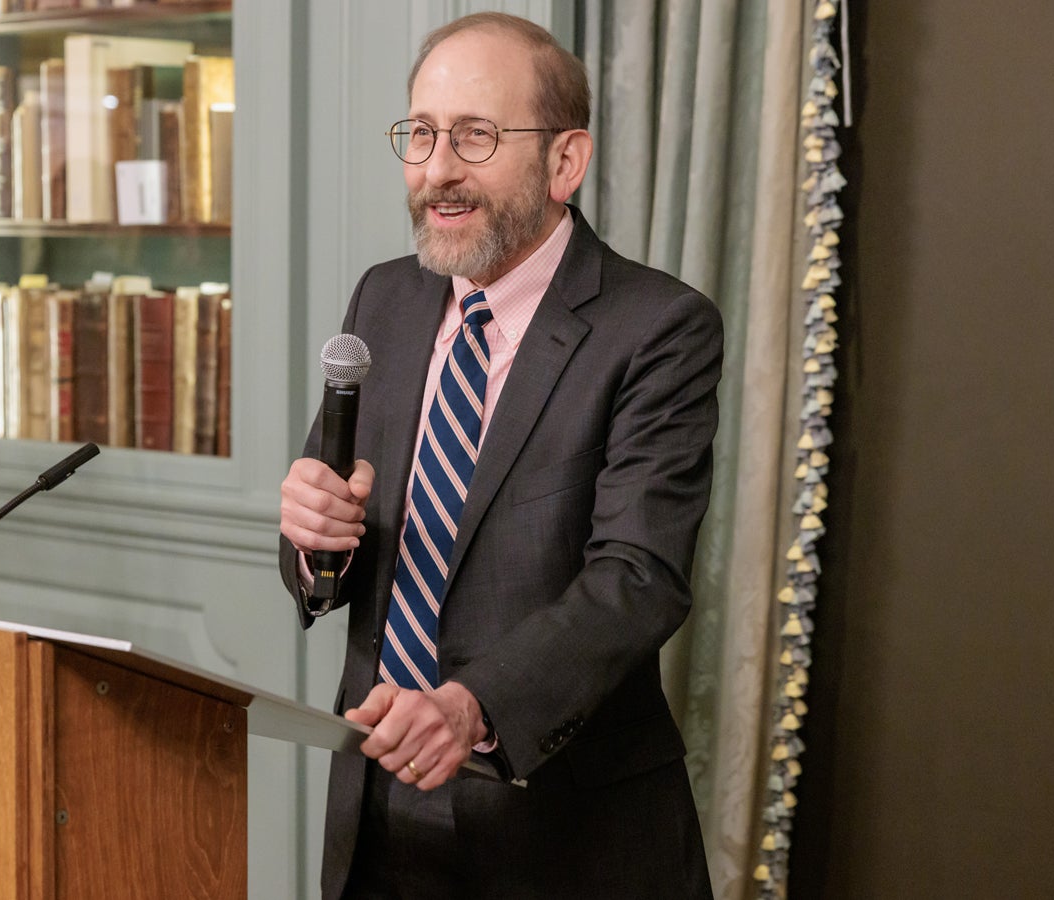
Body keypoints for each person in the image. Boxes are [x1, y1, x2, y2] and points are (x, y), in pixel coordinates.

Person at [279, 12, 722, 899]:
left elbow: (639, 576)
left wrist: (472, 705)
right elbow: (329, 562)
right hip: (375, 805)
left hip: (560, 829)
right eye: (422, 134)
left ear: (566, 161)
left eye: (476, 136)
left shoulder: (657, 329)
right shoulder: (386, 298)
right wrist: (312, 540)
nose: (438, 169)